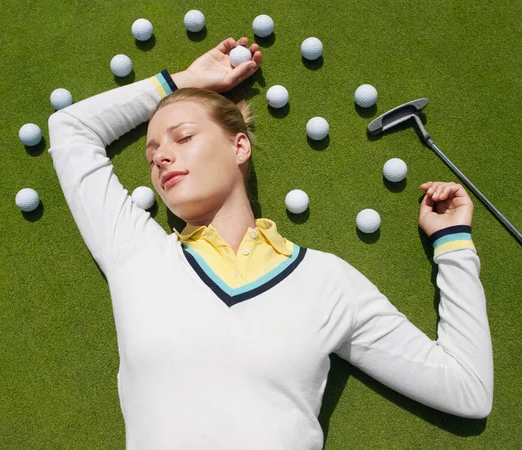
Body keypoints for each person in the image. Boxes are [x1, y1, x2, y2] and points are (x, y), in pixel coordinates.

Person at [47, 37, 493, 450]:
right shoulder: (137, 253)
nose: (161, 156)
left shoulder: (327, 282)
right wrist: (180, 83)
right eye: (151, 155)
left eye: (183, 137)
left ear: (240, 146)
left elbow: (467, 389)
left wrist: (453, 246)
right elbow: (70, 129)